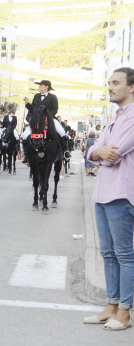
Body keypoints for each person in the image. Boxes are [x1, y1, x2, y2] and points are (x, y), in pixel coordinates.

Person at [83, 67, 134, 331]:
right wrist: (96, 151)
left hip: (122, 194)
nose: (110, 87)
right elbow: (92, 150)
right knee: (107, 253)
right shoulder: (115, 118)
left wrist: (98, 152)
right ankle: (111, 306)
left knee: (124, 255)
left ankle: (125, 312)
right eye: (109, 83)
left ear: (131, 87)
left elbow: (115, 152)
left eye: (115, 83)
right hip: (102, 192)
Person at [23, 80, 72, 160]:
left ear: (46, 87)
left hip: (50, 119)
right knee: (25, 134)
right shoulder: (36, 96)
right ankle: (26, 154)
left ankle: (65, 151)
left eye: (41, 85)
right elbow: (33, 109)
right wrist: (27, 104)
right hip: (37, 120)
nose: (39, 87)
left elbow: (55, 110)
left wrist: (46, 116)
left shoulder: (53, 97)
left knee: (62, 132)